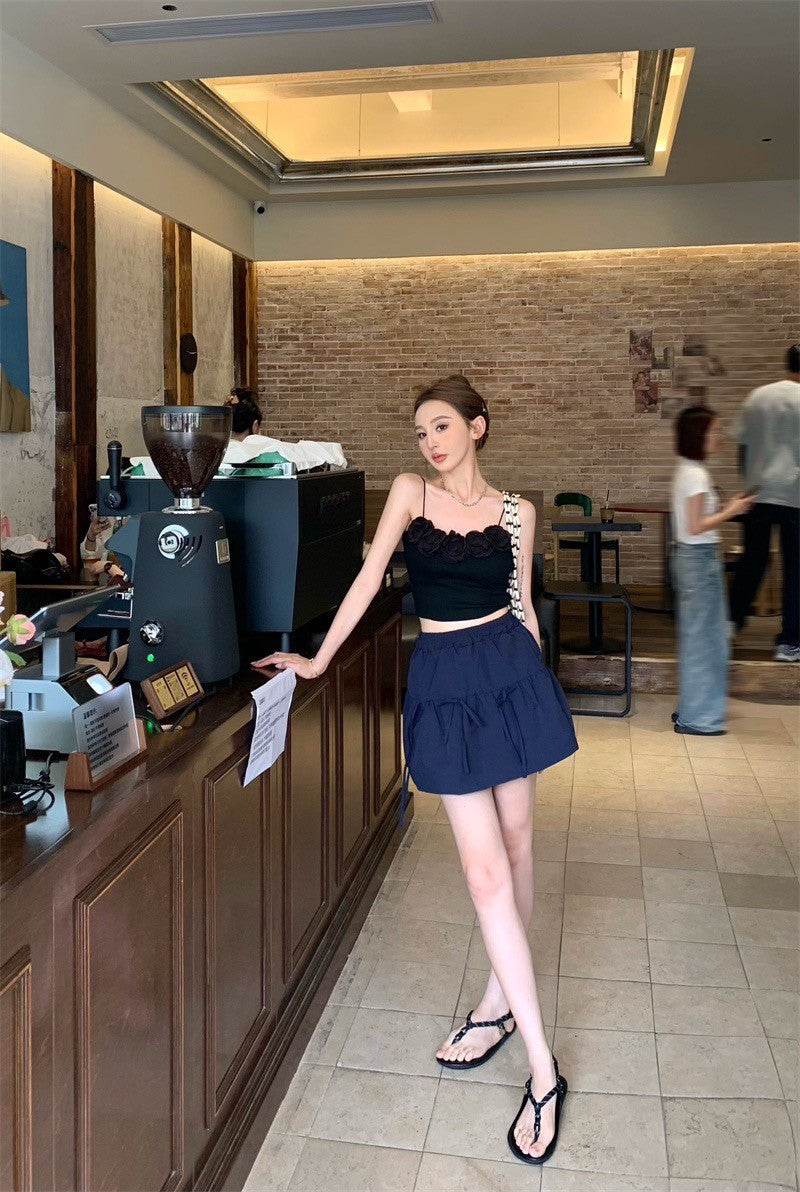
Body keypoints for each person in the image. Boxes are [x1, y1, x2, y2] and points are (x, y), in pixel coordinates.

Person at [254, 374, 578, 1165]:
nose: (430, 442)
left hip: (511, 673)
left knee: (519, 846)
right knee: (485, 873)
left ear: (477, 427)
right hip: (443, 679)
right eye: (421, 431)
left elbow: (522, 603)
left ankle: (499, 1002)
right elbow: (368, 580)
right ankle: (544, 1071)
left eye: (441, 426)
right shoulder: (410, 494)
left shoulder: (517, 511)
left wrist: (538, 691)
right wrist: (317, 661)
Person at [671, 407, 753, 736]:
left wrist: (726, 507)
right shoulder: (695, 475)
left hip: (694, 558)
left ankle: (693, 710)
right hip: (698, 559)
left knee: (699, 638)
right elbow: (695, 526)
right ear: (698, 436)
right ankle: (698, 719)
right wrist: (732, 511)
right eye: (714, 431)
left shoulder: (690, 470)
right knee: (705, 641)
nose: (720, 436)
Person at [730, 345, 800, 661]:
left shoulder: (759, 396)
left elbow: (743, 448)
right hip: (796, 494)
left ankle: (729, 625)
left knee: (752, 561)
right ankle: (790, 642)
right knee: (795, 568)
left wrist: (747, 487)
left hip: (759, 492)